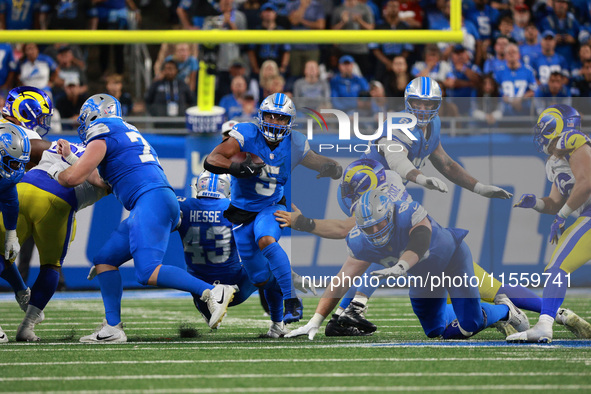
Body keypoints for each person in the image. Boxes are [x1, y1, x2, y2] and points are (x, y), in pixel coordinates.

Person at [50, 94, 236, 343]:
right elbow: (103, 183)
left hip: (150, 201)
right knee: (105, 259)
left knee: (146, 271)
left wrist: (53, 172)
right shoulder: (127, 131)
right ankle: (113, 328)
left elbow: (72, 179)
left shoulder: (103, 131)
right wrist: (72, 160)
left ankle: (211, 291)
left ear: (94, 116)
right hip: (158, 199)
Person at [286, 189, 529, 341]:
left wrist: (402, 266)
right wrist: (315, 321)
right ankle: (478, 310)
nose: (374, 231)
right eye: (368, 228)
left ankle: (506, 310)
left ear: (389, 216)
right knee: (436, 331)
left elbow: (420, 241)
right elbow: (341, 280)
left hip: (452, 261)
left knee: (470, 325)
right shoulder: (362, 242)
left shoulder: (407, 212)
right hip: (423, 277)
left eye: (379, 225)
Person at [204, 93, 342, 323]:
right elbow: (212, 159)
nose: (275, 122)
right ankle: (280, 312)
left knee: (266, 239)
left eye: (281, 118)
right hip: (241, 212)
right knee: (258, 278)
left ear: (290, 121)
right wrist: (237, 167)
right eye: (271, 116)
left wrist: (333, 167)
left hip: (271, 206)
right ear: (261, 115)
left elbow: (318, 160)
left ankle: (291, 300)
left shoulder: (295, 143)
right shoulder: (247, 133)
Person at [177, 170, 312, 337]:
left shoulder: (182, 206)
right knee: (269, 266)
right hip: (235, 289)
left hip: (202, 294)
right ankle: (278, 324)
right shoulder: (236, 209)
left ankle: (207, 306)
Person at [508, 104, 591, 343]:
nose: (540, 133)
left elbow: (585, 183)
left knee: (557, 268)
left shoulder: (573, 140)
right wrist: (536, 203)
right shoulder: (554, 162)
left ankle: (545, 325)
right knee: (557, 268)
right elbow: (555, 201)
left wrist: (562, 216)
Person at [12, 140, 108, 341]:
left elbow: (32, 147)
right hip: (56, 199)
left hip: (22, 188)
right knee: (51, 266)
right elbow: (101, 182)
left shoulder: (61, 142)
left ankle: (20, 293)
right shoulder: (112, 161)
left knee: (2, 256)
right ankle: (26, 327)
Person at [0, 123, 31, 343]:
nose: (15, 168)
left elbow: (11, 203)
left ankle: (21, 290)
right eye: (11, 161)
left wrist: (12, 234)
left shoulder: (7, 178)